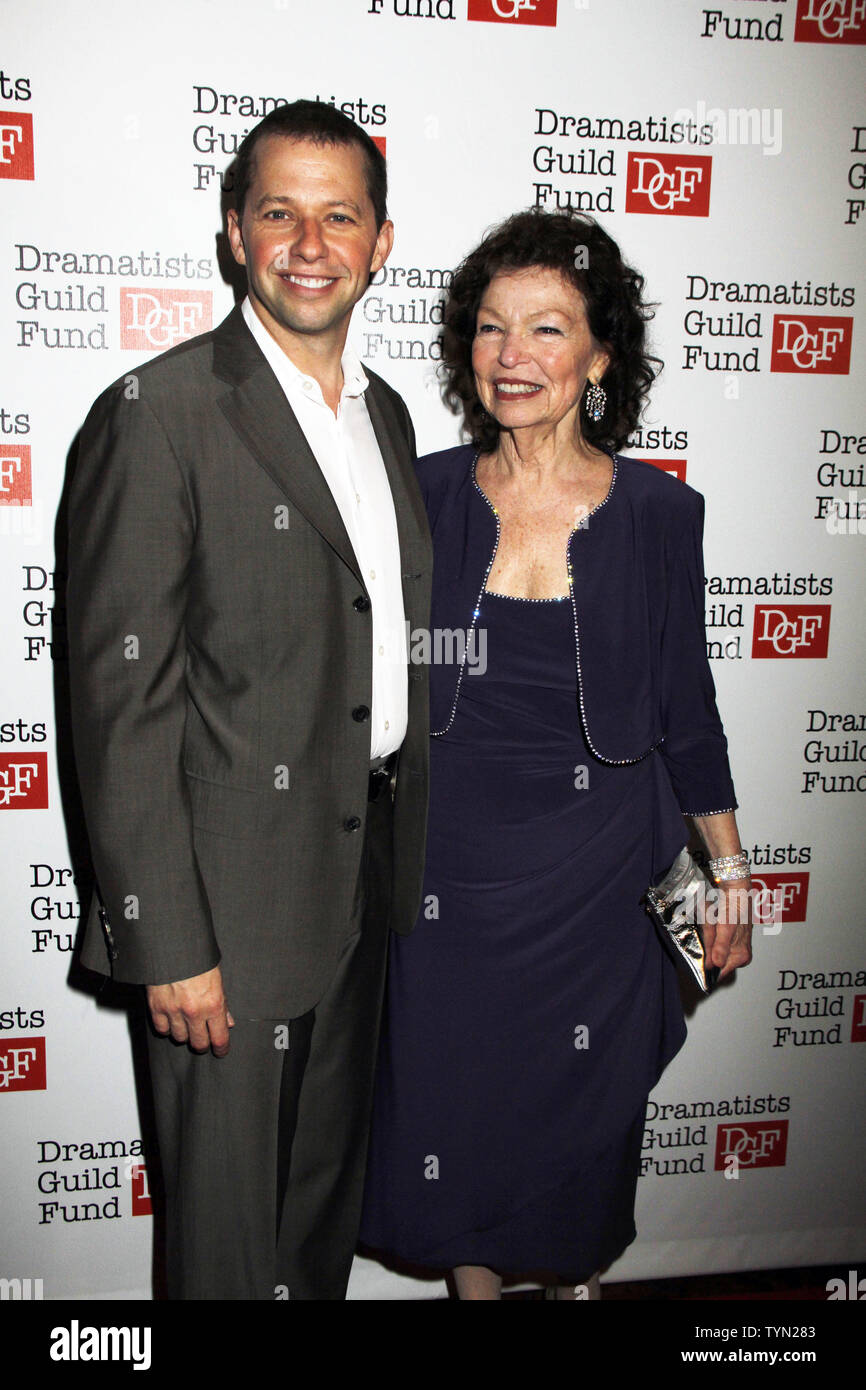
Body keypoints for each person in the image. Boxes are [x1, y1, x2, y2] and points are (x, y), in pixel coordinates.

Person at [66, 100, 431, 1300]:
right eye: (280, 213)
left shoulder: (384, 415)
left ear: (381, 243)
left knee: (312, 1232)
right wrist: (165, 942)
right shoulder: (160, 412)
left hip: (362, 883)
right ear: (235, 233)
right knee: (225, 1256)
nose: (310, 243)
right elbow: (121, 707)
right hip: (222, 920)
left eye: (341, 216)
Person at [360, 208, 752, 1300]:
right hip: (448, 875)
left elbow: (688, 705)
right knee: (454, 1113)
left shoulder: (658, 515)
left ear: (597, 356)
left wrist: (728, 871)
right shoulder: (424, 493)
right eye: (490, 330)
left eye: (544, 329)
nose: (511, 357)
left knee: (575, 1128)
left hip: (596, 882)